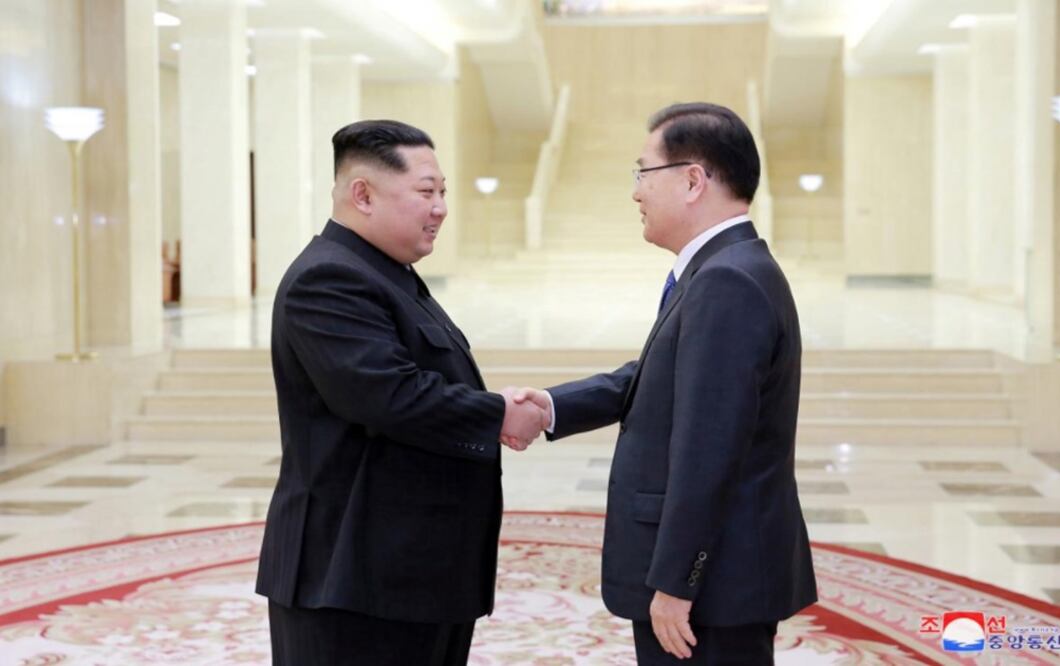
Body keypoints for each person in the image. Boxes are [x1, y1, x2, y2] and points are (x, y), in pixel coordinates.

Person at [509, 103, 817, 664]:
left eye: (643, 173)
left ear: (693, 180)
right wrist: (555, 406)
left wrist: (677, 584)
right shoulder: (723, 268)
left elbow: (710, 449)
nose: (635, 193)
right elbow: (663, 378)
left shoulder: (728, 280)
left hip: (713, 588)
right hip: (720, 577)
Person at [255, 119, 548, 666]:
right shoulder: (328, 279)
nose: (439, 208)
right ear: (362, 194)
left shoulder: (390, 274)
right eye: (425, 192)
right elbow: (389, 396)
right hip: (352, 577)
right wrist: (498, 414)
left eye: (442, 193)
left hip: (410, 572)